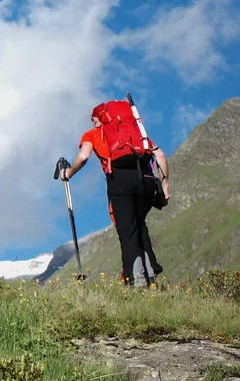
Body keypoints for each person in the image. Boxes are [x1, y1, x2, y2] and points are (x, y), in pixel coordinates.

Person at [60, 111, 168, 285]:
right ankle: (151, 277)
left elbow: (83, 156)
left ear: (96, 119)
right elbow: (160, 155)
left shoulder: (92, 134)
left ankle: (137, 281)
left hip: (119, 180)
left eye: (92, 118)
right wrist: (165, 184)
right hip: (146, 180)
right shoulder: (133, 132)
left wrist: (68, 173)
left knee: (128, 231)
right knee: (140, 226)